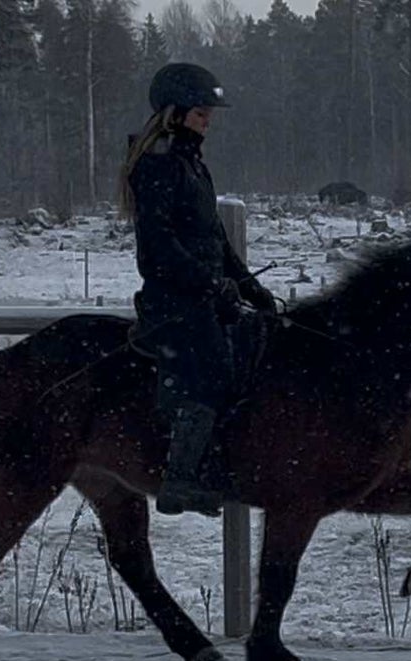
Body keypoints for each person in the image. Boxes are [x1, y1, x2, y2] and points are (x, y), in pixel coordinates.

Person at [118, 62, 276, 518]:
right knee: (214, 370)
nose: (209, 122)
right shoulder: (159, 164)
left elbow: (215, 241)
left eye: (209, 115)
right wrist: (209, 283)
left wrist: (251, 289)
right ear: (176, 114)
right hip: (175, 303)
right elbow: (159, 248)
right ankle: (181, 478)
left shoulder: (192, 164)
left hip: (205, 298)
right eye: (202, 114)